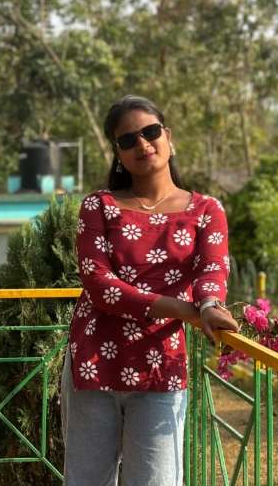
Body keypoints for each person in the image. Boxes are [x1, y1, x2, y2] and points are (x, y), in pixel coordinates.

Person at [61, 95, 239, 486]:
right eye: (128, 140)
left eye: (150, 132)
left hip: (161, 365)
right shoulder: (99, 206)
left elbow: (212, 269)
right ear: (118, 153)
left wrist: (209, 306)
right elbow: (99, 285)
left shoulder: (206, 210)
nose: (142, 144)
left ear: (168, 136)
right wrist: (184, 310)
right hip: (94, 362)